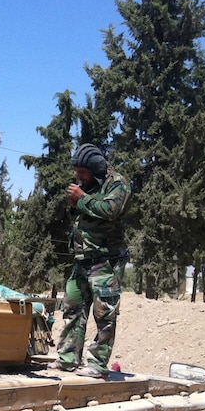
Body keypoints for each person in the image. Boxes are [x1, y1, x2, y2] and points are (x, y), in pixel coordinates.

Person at [48, 143, 131, 379]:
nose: (78, 176)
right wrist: (75, 205)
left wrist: (81, 199)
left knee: (104, 313)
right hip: (82, 259)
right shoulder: (87, 186)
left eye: (82, 172)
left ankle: (98, 364)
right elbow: (77, 215)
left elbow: (111, 210)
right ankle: (67, 359)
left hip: (106, 260)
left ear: (94, 169)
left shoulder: (117, 184)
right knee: (72, 306)